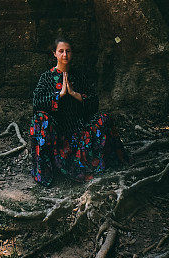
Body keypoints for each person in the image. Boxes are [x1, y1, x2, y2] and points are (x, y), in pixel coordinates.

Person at [30, 35, 126, 186]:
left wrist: (75, 95)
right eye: (61, 51)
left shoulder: (79, 76)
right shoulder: (47, 77)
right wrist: (59, 95)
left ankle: (107, 163)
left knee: (104, 118)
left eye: (68, 51)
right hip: (58, 131)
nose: (65, 55)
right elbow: (37, 103)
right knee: (40, 119)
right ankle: (47, 172)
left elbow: (94, 102)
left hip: (79, 129)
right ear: (54, 53)